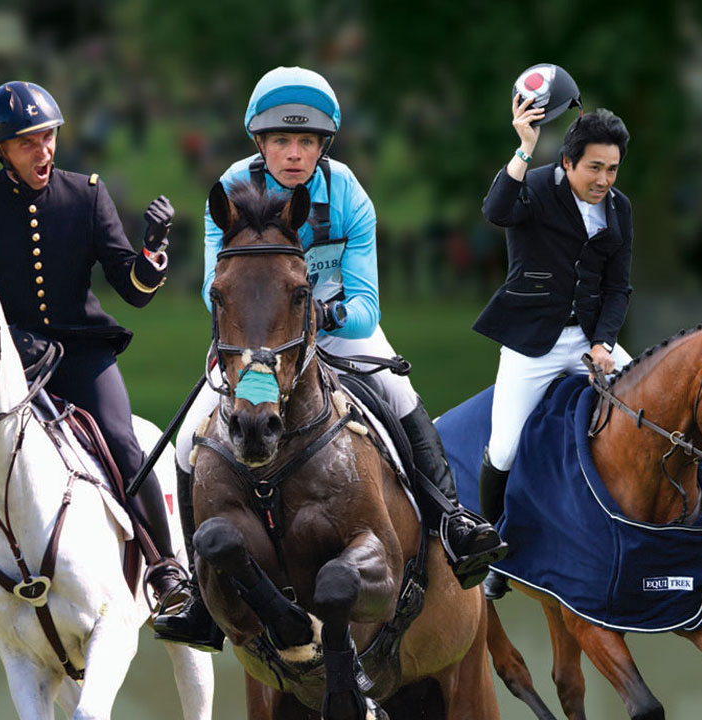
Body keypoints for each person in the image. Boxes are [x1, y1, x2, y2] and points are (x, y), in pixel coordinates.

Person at [152, 66, 508, 652]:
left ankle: (454, 523)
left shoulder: (347, 194)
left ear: (324, 146)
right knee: (190, 437)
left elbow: (366, 305)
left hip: (337, 334)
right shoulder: (232, 189)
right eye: (281, 142)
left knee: (401, 397)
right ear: (259, 145)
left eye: (307, 143)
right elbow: (210, 290)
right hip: (258, 343)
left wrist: (317, 318)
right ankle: (196, 588)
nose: (294, 154)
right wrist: (266, 333)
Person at [0, 81, 189, 648]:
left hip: (81, 352)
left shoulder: (86, 195)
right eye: (27, 143)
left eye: (48, 137)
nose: (44, 152)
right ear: (0, 149)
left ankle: (165, 572)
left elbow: (133, 289)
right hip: (1, 362)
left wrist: (153, 252)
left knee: (122, 439)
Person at [475, 67, 636, 596]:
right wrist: (523, 149)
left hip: (591, 340)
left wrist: (604, 345)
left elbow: (618, 289)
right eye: (594, 168)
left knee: (647, 411)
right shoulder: (536, 189)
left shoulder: (620, 210)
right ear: (567, 162)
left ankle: (640, 531)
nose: (604, 180)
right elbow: (496, 210)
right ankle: (492, 552)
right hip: (532, 343)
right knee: (503, 448)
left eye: (612, 169)